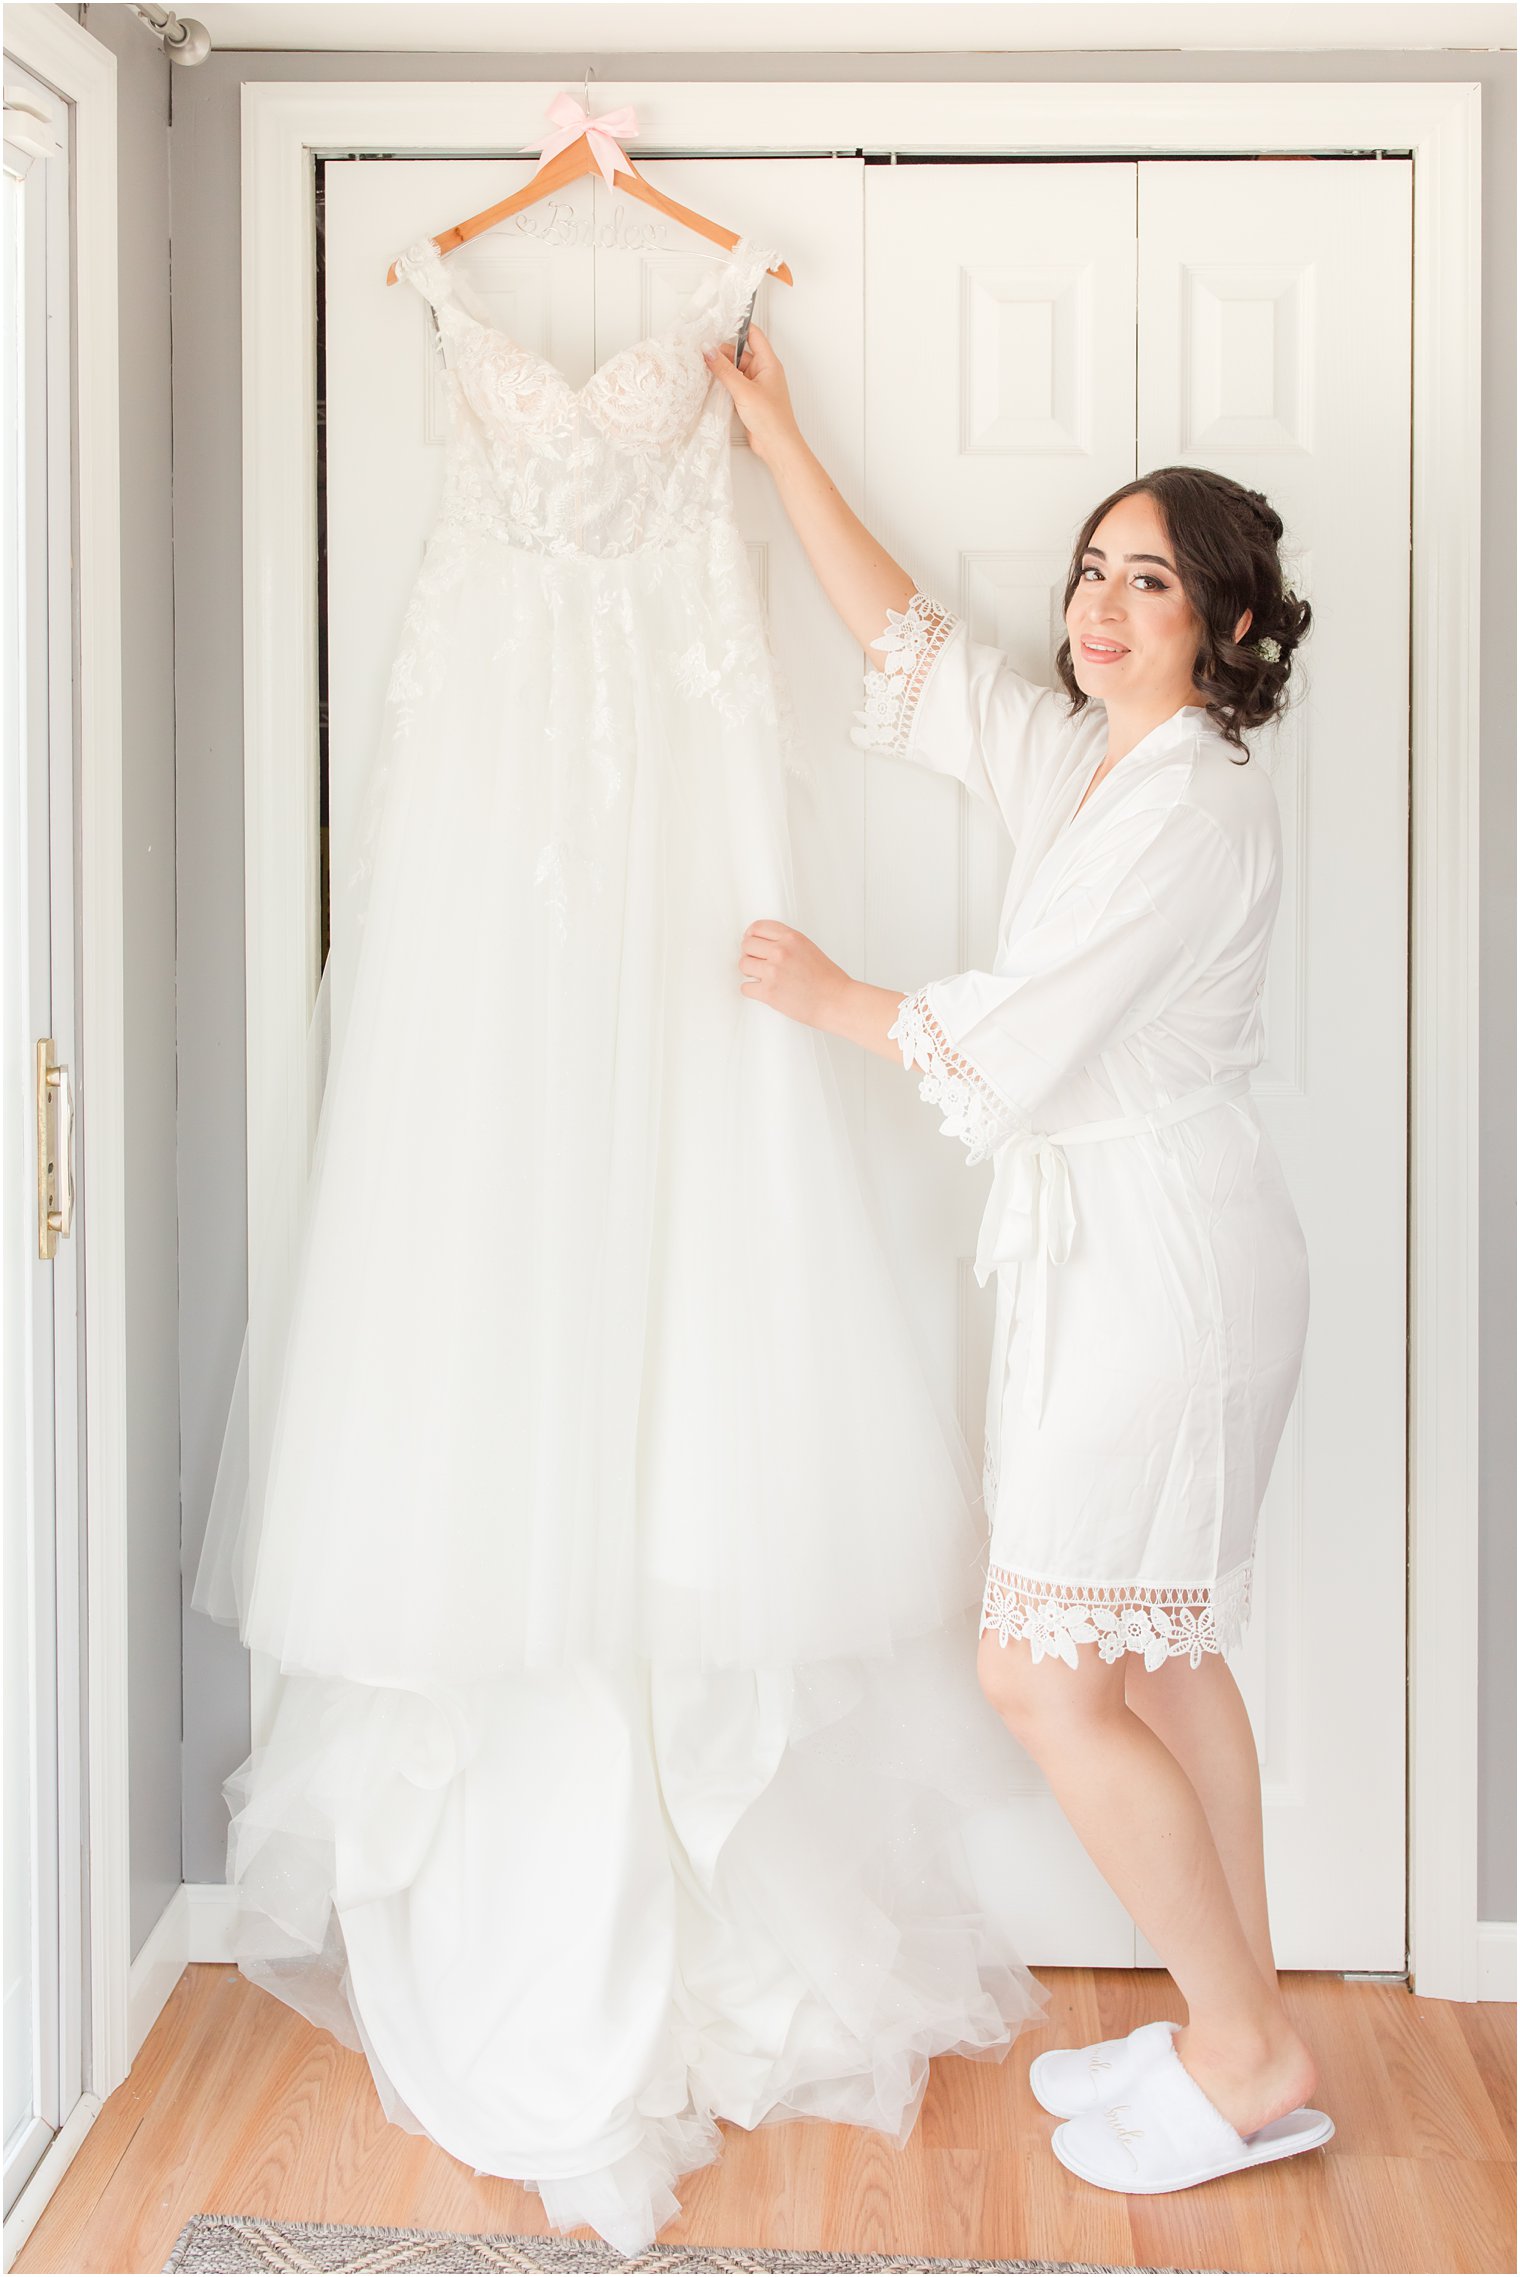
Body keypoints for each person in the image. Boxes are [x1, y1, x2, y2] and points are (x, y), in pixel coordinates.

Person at [703, 326, 1334, 2195]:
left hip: (1163, 1266)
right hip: (1146, 1252)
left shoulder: (1198, 804)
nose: (1105, 600)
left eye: (1154, 577)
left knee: (1042, 1669)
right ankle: (1249, 2020)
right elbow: (910, 650)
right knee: (1163, 1657)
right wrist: (777, 432)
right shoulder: (1092, 762)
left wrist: (830, 997)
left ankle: (1243, 2043)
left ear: (1226, 626)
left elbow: (1029, 1025)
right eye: (1093, 567)